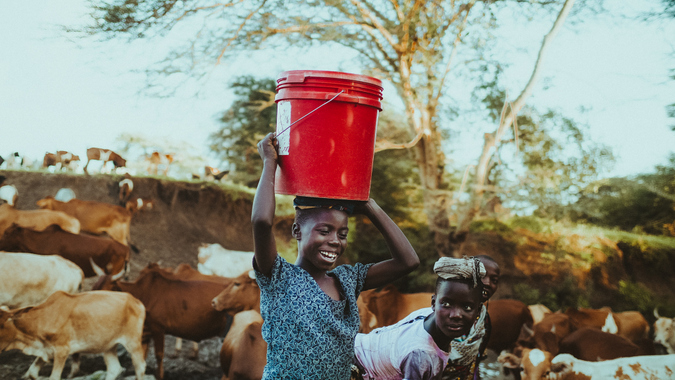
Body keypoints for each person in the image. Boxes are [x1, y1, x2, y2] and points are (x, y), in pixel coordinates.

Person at [252, 132, 420, 380]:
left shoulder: (348, 280)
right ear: (297, 230)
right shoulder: (278, 277)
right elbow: (261, 221)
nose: (335, 241)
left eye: (343, 233)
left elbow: (409, 262)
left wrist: (368, 205)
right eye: (324, 231)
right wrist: (270, 163)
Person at [353, 256, 487, 380]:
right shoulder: (421, 356)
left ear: (479, 310)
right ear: (434, 303)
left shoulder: (427, 314)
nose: (456, 315)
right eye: (446, 304)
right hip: (348, 362)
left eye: (467, 307)